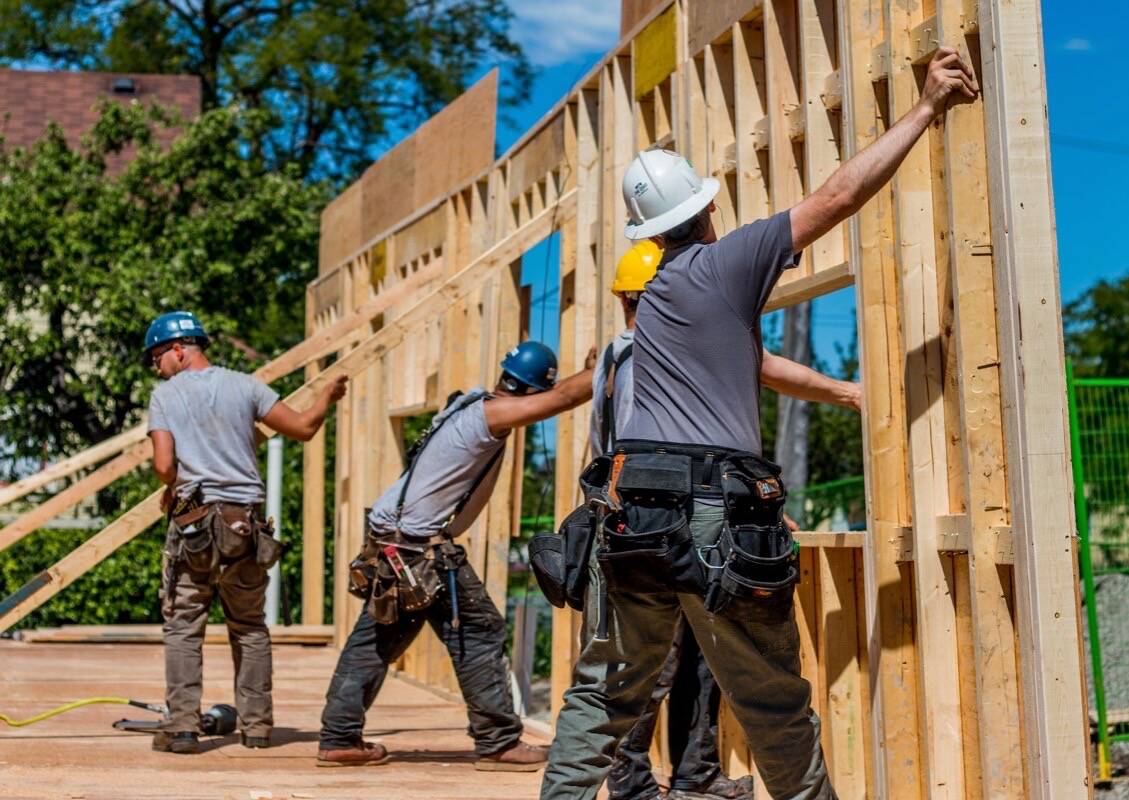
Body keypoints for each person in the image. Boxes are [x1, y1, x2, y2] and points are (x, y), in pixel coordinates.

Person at [542, 45, 976, 800]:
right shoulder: (725, 266)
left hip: (632, 511)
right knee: (771, 700)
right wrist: (927, 108)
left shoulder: (659, 303)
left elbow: (760, 367)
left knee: (605, 694)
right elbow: (838, 196)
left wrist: (841, 392)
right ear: (707, 210)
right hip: (714, 511)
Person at [587, 245, 860, 800]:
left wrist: (842, 391)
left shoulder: (623, 354)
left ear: (622, 297)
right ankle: (634, 782)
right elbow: (667, 450)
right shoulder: (651, 357)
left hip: (642, 521)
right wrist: (845, 392)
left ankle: (692, 773)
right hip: (656, 521)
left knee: (694, 659)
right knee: (655, 661)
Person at [316, 341, 598, 770]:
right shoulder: (490, 415)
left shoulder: (464, 408)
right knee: (480, 631)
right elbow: (562, 399)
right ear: (530, 389)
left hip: (392, 542)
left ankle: (338, 738)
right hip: (419, 550)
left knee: (376, 638)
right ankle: (499, 742)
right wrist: (603, 368)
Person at [145, 310, 348, 754]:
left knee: (184, 625)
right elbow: (303, 428)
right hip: (244, 526)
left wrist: (175, 485)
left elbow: (163, 466)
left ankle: (182, 728)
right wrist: (327, 397)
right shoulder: (248, 386)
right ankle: (256, 728)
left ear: (178, 349)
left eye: (156, 356)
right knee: (249, 626)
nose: (155, 367)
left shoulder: (165, 397)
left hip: (194, 526)